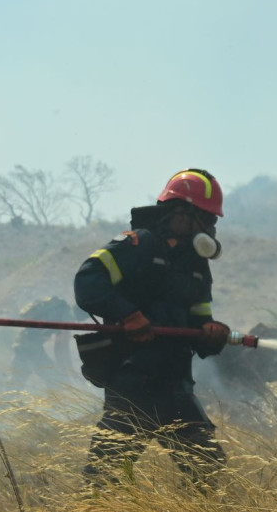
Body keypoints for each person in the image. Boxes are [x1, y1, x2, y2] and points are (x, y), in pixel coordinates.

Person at [73, 168, 234, 485]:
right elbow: (88, 281)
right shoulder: (136, 244)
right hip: (133, 381)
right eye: (206, 218)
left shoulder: (196, 265)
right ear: (180, 213)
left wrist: (212, 333)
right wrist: (128, 315)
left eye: (213, 221)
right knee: (105, 479)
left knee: (211, 476)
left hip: (176, 386)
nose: (210, 228)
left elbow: (199, 321)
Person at [10, 295, 74, 384]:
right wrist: (69, 371)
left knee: (16, 384)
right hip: (31, 347)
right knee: (58, 381)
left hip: (21, 345)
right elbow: (62, 348)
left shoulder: (58, 309)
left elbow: (60, 348)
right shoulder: (66, 315)